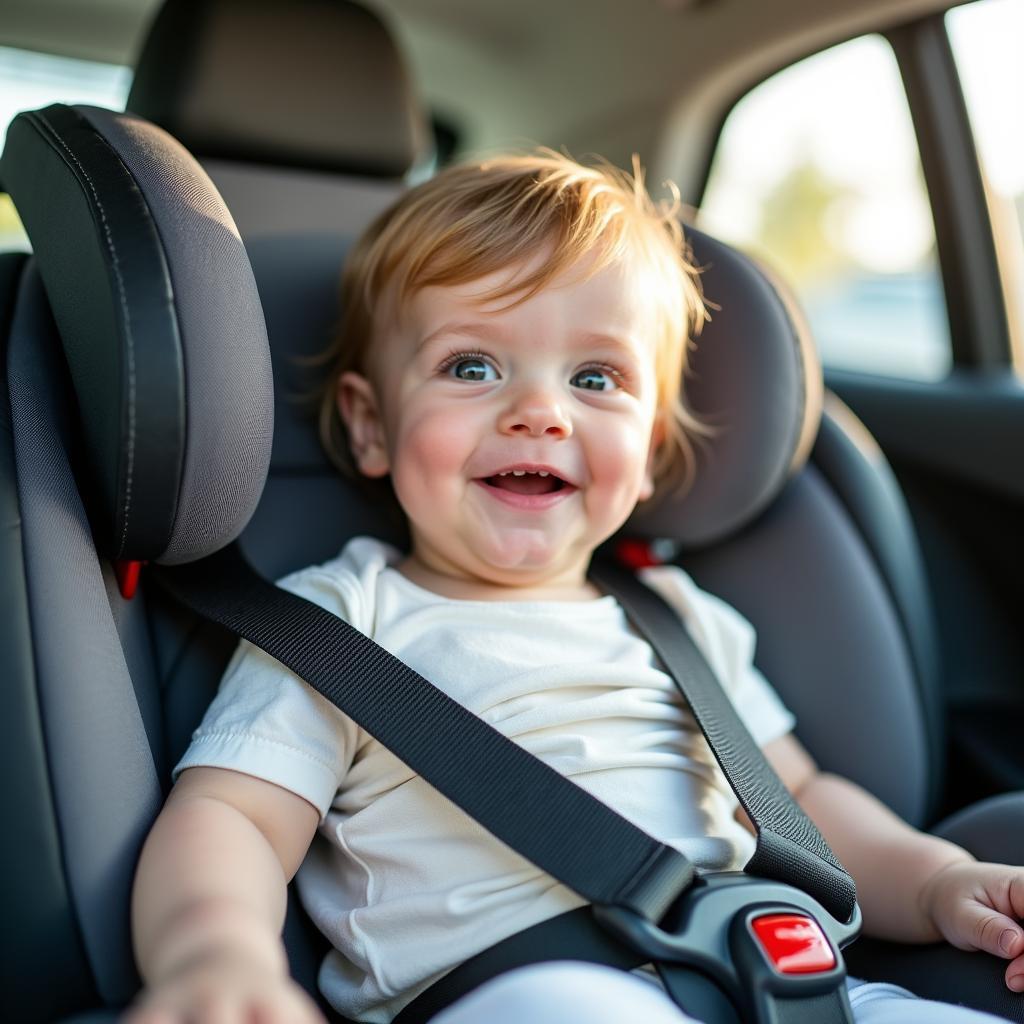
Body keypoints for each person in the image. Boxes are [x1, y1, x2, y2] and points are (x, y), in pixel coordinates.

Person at [126, 152, 1024, 1024]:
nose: (540, 411)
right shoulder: (340, 620)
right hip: (525, 990)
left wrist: (937, 879)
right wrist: (216, 954)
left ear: (649, 458)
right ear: (370, 425)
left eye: (596, 378)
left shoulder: (680, 618)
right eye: (471, 366)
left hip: (771, 979)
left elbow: (810, 803)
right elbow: (234, 817)